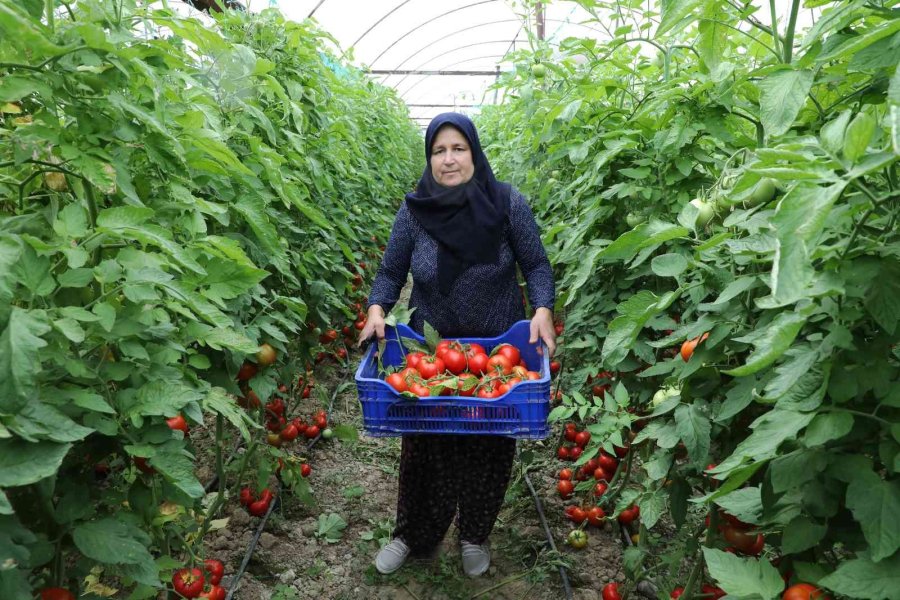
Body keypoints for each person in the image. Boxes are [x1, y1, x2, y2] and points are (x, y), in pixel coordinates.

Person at [357, 112, 556, 578]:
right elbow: (390, 271)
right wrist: (377, 307)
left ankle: (473, 535)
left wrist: (542, 308)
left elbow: (538, 265)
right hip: (432, 355)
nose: (449, 160)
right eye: (439, 151)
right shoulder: (415, 212)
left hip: (495, 358)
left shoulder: (507, 204)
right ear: (430, 158)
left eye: (458, 149)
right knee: (425, 443)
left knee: (488, 445)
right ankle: (411, 534)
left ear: (474, 152)